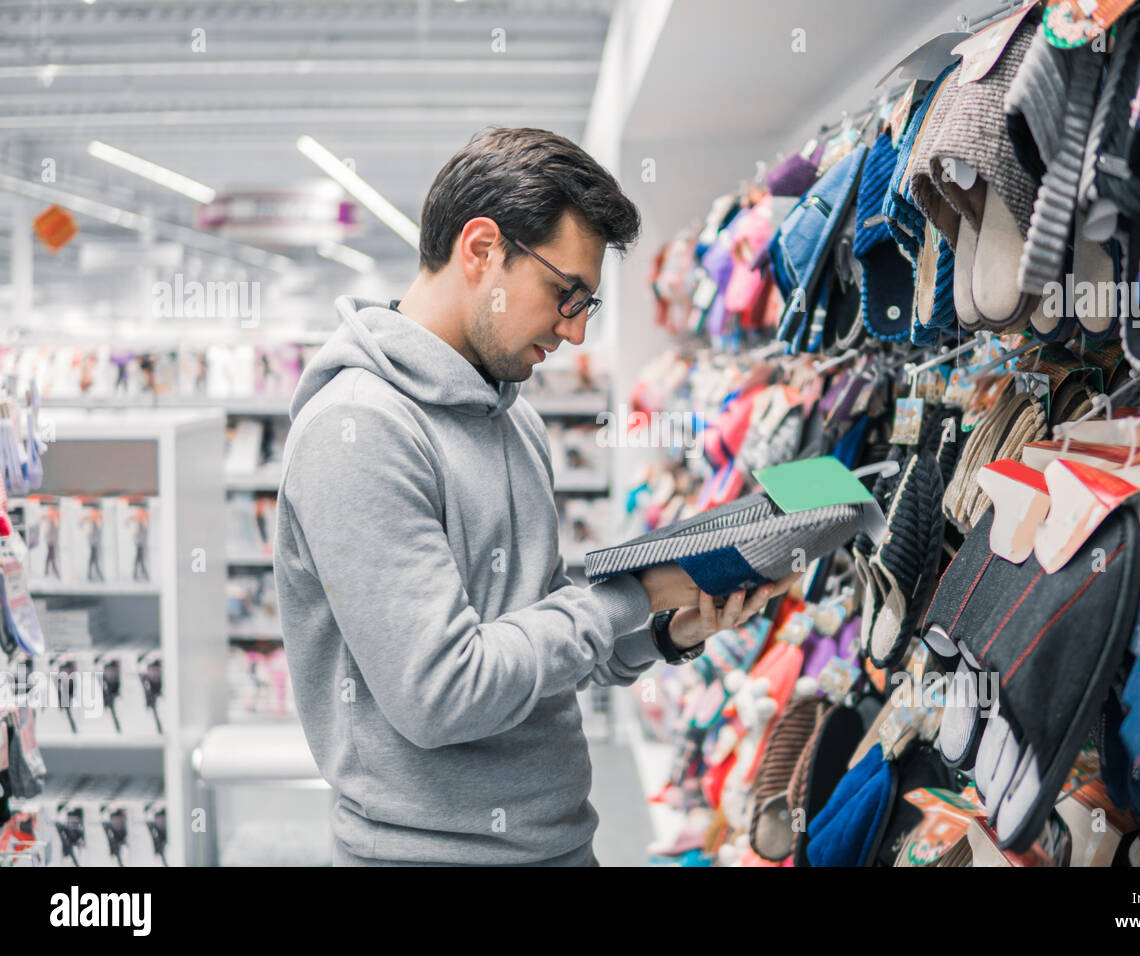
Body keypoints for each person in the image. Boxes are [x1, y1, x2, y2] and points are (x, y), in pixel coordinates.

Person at [274, 127, 797, 867]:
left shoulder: (511, 412)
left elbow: (539, 636)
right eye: (566, 294)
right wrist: (633, 591)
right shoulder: (357, 431)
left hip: (556, 841)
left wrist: (664, 626)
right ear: (482, 249)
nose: (578, 333)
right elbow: (443, 692)